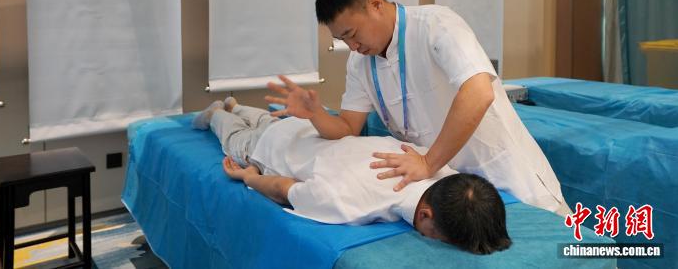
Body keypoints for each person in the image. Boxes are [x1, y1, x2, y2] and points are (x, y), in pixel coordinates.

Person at [265, 0, 569, 216]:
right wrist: (315, 115)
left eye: (352, 34)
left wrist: (428, 162)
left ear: (375, 4)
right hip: (451, 188)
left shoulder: (436, 24)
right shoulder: (359, 63)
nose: (352, 46)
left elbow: (479, 93)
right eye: (342, 40)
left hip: (505, 175)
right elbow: (347, 127)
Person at [192, 98, 512, 255]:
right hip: (269, 148)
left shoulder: (433, 164)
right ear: (425, 215)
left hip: (304, 131)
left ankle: (236, 105)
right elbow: (281, 187)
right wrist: (249, 178)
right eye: (440, 238)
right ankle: (218, 112)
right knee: (236, 138)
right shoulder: (351, 202)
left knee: (266, 120)